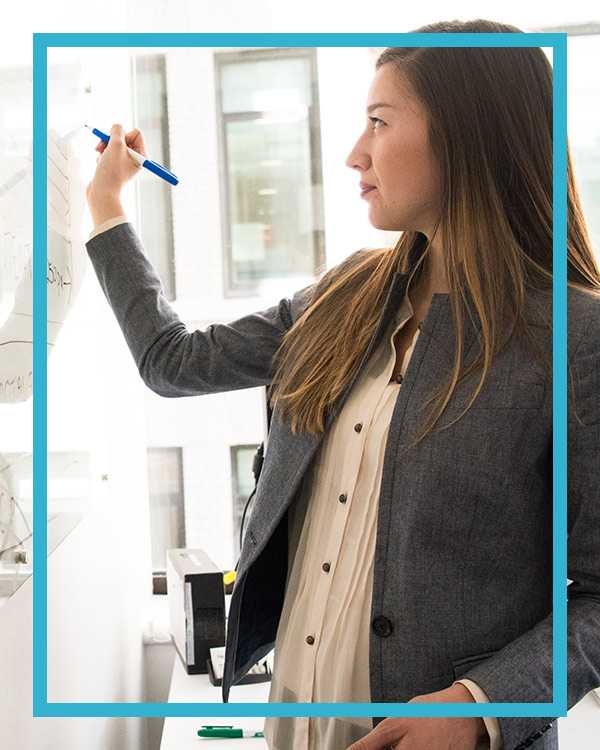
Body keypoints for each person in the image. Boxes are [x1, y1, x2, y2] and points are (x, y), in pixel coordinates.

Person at [85, 18, 600, 750]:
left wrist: (480, 706)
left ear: (467, 136)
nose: (355, 152)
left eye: (378, 122)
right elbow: (173, 360)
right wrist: (107, 207)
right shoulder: (345, 296)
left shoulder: (576, 340)